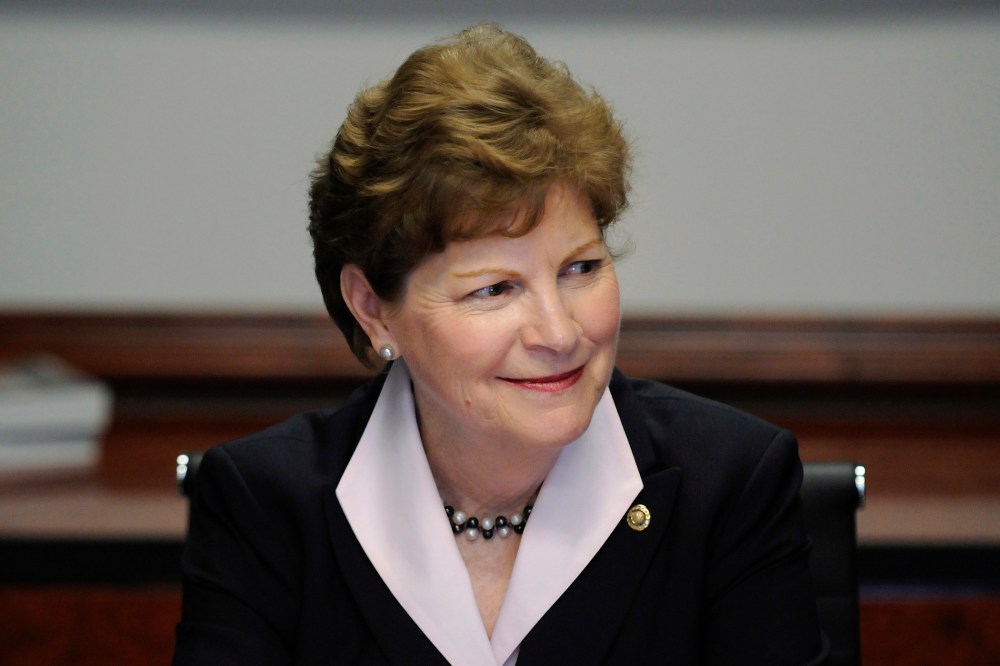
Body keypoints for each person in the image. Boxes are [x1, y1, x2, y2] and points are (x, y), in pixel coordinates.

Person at [173, 24, 828, 665]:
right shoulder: (263, 504)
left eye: (582, 268)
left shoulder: (732, 484)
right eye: (494, 289)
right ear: (373, 308)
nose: (560, 333)